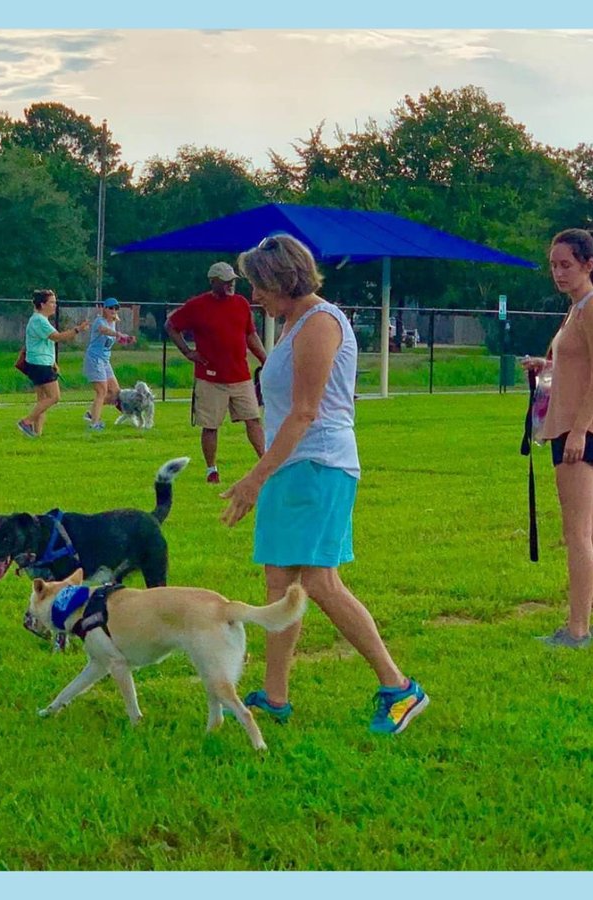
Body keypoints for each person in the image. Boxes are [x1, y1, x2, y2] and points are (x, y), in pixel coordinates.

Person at [219, 234, 428, 735]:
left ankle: (400, 689)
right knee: (279, 583)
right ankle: (274, 696)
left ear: (281, 278)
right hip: (293, 467)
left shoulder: (320, 322)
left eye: (259, 285)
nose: (254, 297)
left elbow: (306, 411)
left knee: (319, 581)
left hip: (319, 466)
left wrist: (254, 477)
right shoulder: (292, 324)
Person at [521, 229, 593, 648]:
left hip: (583, 429)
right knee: (591, 529)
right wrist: (545, 364)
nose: (558, 273)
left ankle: (578, 628)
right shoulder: (577, 310)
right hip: (570, 425)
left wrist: (579, 429)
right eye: (554, 266)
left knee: (577, 533)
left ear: (588, 265)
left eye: (566, 265)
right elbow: (578, 363)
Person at [166, 261, 267, 484]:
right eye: (225, 281)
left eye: (232, 281)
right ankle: (211, 470)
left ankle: (266, 462)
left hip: (240, 376)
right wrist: (187, 352)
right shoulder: (197, 306)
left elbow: (250, 335)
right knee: (210, 425)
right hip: (210, 378)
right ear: (213, 282)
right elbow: (171, 325)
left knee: (253, 420)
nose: (231, 285)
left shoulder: (241, 304)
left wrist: (265, 359)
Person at [18, 289, 89, 438]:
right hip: (40, 364)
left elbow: (46, 344)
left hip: (39, 363)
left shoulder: (38, 320)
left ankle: (36, 433)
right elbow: (57, 337)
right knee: (54, 397)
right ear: (42, 304)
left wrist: (53, 362)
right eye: (52, 302)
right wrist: (78, 329)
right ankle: (26, 421)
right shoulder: (39, 320)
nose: (55, 305)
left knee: (42, 400)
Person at [82, 297, 133, 431]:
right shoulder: (100, 321)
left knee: (116, 393)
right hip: (95, 359)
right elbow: (104, 330)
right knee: (102, 391)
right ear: (104, 309)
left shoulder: (113, 323)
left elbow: (110, 341)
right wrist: (119, 334)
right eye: (110, 308)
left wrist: (125, 340)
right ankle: (94, 424)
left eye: (116, 308)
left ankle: (92, 413)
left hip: (105, 361)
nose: (113, 310)